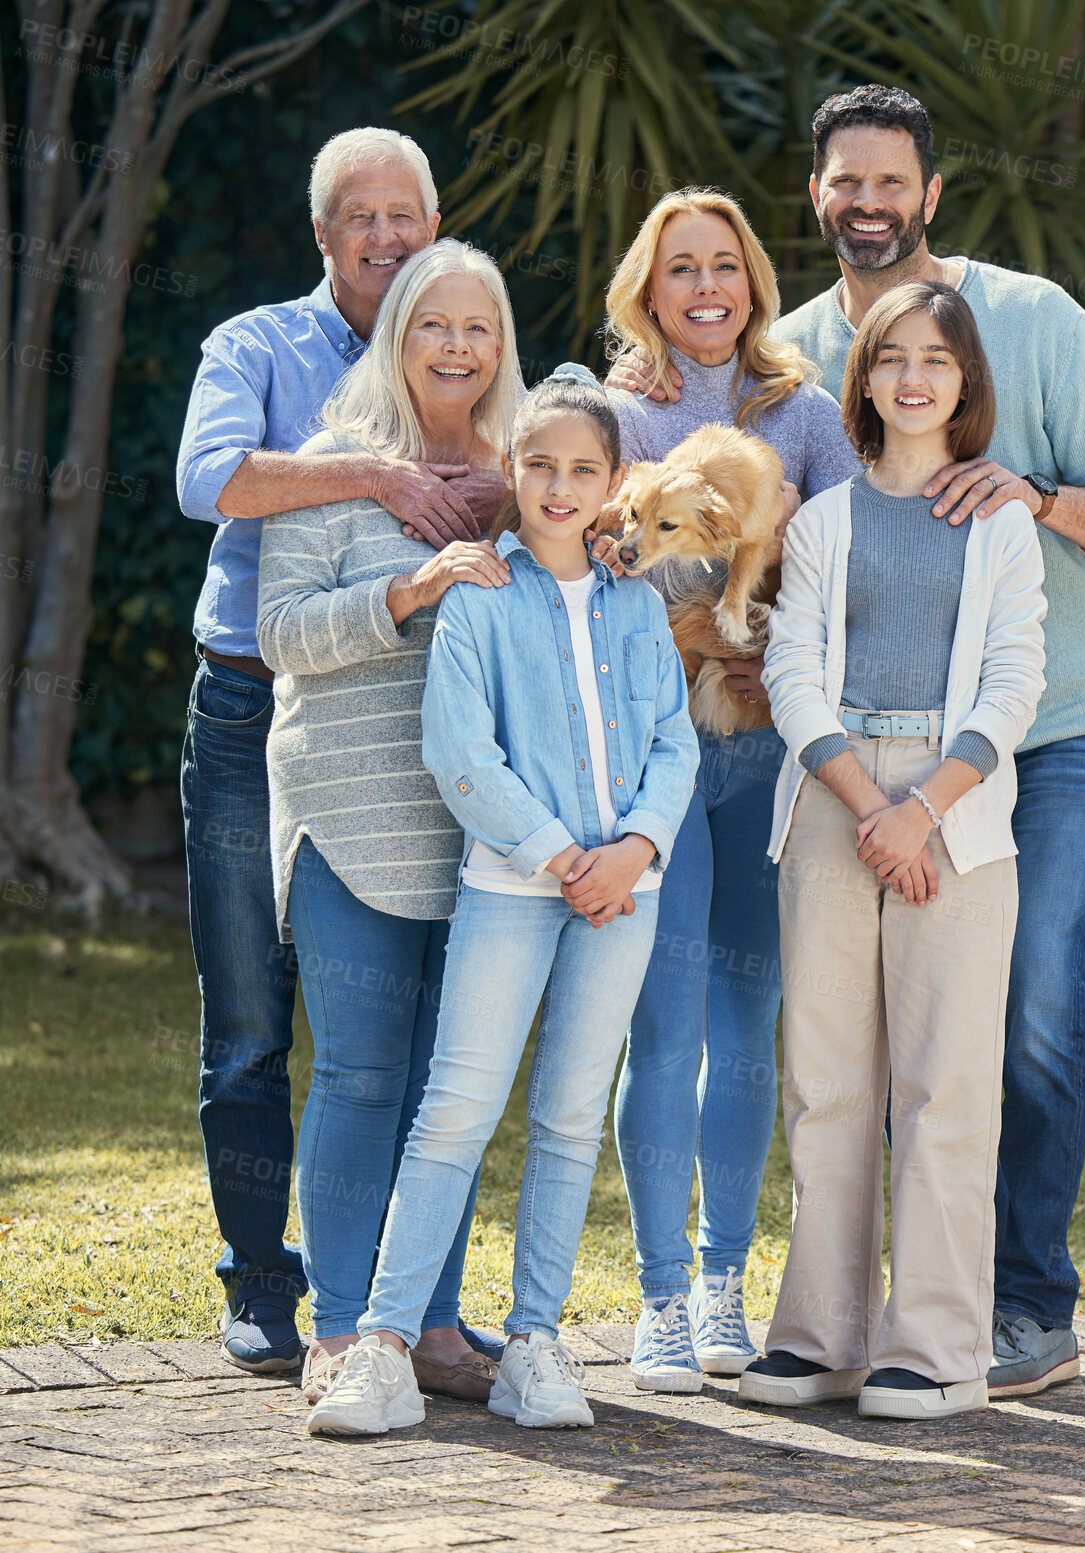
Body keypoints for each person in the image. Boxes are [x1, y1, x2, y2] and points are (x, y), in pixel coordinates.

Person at [612, 87, 1085, 1397]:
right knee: (841, 1047)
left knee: (1026, 1003)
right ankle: (844, 1325)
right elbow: (734, 509)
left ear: (928, 195)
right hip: (856, 758)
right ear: (814, 198)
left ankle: (1018, 1305)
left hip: (1058, 721)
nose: (864, 203)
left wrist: (1033, 496)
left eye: (889, 183)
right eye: (840, 183)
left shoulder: (1030, 318)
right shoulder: (797, 356)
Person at [304, 365, 700, 1438]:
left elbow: (673, 737)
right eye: (541, 466)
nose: (561, 488)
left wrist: (635, 848)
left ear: (615, 480)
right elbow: (459, 751)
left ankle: (535, 1343)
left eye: (583, 470)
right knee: (455, 1111)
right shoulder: (479, 593)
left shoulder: (636, 602)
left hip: (629, 894)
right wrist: (561, 853)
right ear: (513, 472)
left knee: (572, 1117)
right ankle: (382, 1347)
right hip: (510, 890)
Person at [176, 128, 509, 1373]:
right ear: (324, 234)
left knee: (430, 1049)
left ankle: (412, 1307)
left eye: (404, 213)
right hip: (258, 705)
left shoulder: (482, 383)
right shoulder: (261, 346)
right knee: (258, 1019)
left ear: (434, 225)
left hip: (427, 736)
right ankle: (272, 1279)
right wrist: (373, 474)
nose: (384, 234)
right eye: (358, 216)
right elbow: (207, 477)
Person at [740, 280, 1046, 1418]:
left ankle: (934, 1348)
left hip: (957, 809)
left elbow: (1016, 680)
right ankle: (820, 1337)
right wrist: (872, 802)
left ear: (966, 382)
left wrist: (924, 810)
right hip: (833, 793)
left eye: (938, 359)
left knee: (947, 1083)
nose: (914, 376)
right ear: (862, 377)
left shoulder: (1001, 522)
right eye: (891, 357)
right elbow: (791, 672)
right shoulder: (822, 520)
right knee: (825, 1079)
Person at [598, 189, 863, 1394]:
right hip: (651, 760)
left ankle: (721, 1281)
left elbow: (843, 575)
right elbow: (597, 584)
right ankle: (656, 1295)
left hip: (762, 753)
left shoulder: (803, 413)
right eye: (679, 269)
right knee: (662, 1021)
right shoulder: (611, 411)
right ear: (647, 291)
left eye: (725, 266)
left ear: (754, 282)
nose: (706, 287)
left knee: (745, 1027)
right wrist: (707, 628)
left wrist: (742, 621)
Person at [256, 240, 521, 1403]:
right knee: (363, 1074)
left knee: (449, 1088)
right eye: (434, 325)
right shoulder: (332, 465)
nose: (457, 347)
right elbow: (284, 636)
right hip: (349, 815)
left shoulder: (528, 478)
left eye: (478, 328)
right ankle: (342, 1325)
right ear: (396, 334)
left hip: (482, 830)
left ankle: (430, 1324)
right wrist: (411, 592)